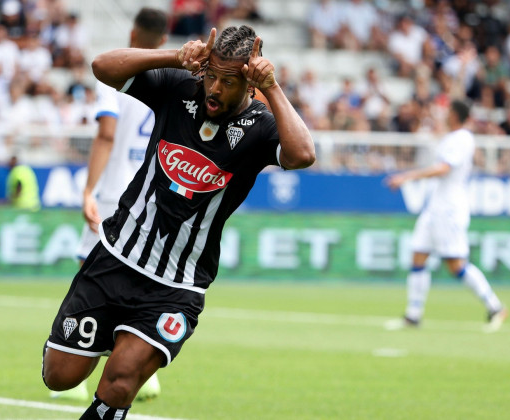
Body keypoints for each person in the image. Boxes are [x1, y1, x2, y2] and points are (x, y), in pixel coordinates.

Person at [41, 25, 316, 420]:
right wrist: (174, 57)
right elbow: (102, 66)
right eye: (211, 76)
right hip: (116, 257)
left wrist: (272, 88)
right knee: (60, 377)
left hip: (177, 285)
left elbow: (303, 155)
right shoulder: (179, 86)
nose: (214, 89)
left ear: (250, 82)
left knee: (120, 379)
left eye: (228, 80)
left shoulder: (260, 126)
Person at [54, 7, 170, 403]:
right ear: (164, 39)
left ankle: (77, 374)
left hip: (114, 197)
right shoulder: (172, 81)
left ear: (133, 33)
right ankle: (145, 374)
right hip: (152, 198)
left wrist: (87, 190)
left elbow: (106, 135)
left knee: (91, 282)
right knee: (144, 279)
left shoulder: (118, 73)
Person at [384, 100, 508, 333]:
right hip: (435, 208)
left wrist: (407, 176)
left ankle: (495, 306)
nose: (444, 115)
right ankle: (413, 315)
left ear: (455, 115)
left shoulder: (462, 138)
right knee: (418, 256)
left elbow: (444, 168)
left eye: (448, 112)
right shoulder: (452, 137)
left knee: (456, 265)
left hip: (450, 210)